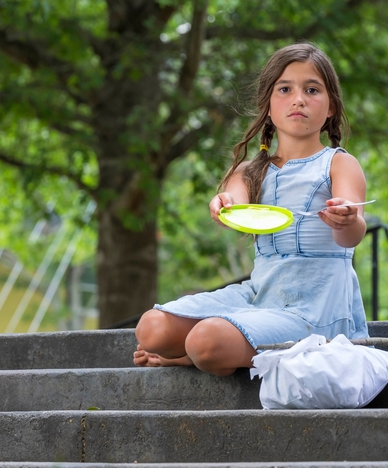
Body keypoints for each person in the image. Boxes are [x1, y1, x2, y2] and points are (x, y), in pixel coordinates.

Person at [134, 42, 369, 376]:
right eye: (285, 89)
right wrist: (224, 204)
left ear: (330, 107)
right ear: (268, 107)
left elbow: (353, 234)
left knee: (204, 340)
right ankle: (209, 349)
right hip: (259, 295)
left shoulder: (339, 164)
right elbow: (234, 200)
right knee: (151, 328)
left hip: (317, 308)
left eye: (312, 90)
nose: (298, 99)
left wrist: (345, 220)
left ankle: (192, 355)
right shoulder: (250, 171)